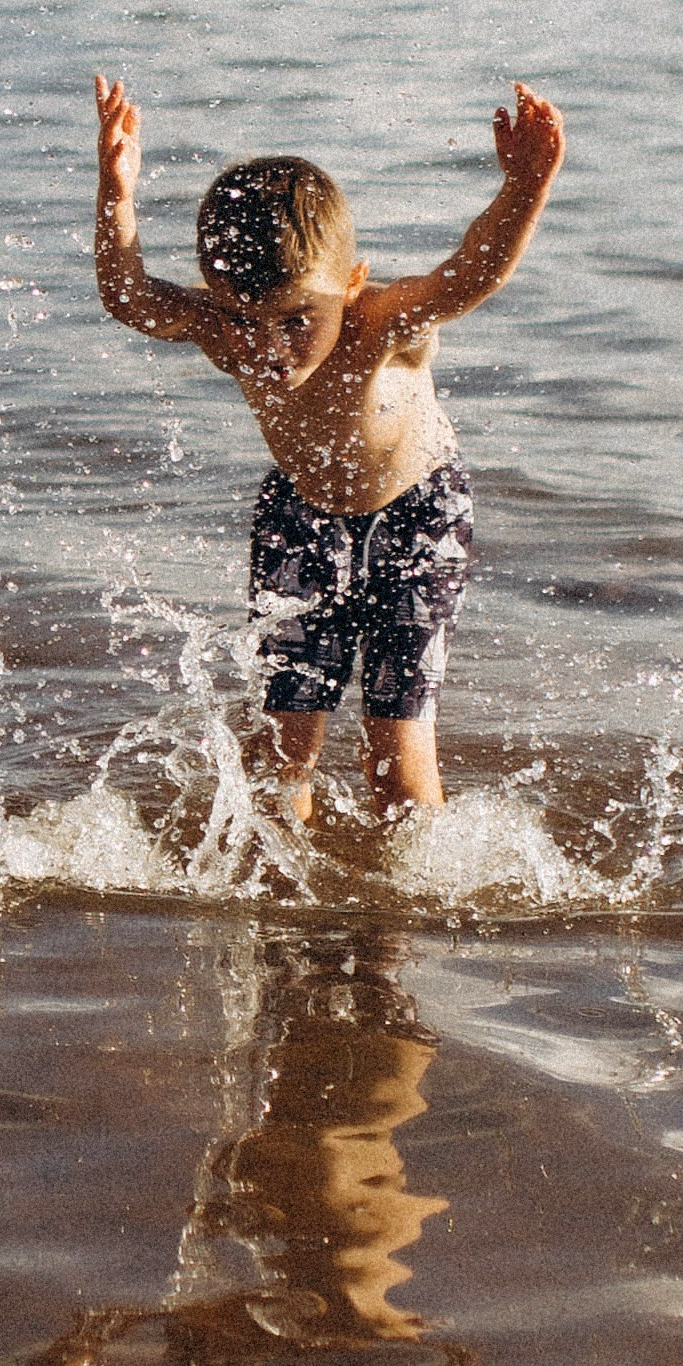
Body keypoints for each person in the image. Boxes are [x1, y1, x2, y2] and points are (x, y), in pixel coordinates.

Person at [92, 73, 565, 820]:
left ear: (351, 283)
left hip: (418, 519)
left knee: (396, 754)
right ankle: (284, 910)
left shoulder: (382, 324)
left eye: (292, 320)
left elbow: (470, 274)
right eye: (241, 319)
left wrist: (525, 186)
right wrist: (115, 191)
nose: (266, 347)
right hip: (298, 517)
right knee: (280, 753)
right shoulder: (225, 331)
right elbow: (130, 300)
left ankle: (394, 930)